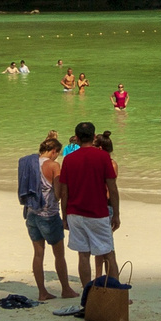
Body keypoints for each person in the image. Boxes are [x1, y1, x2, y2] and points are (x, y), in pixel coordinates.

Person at [57, 122, 120, 287]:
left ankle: (87, 294)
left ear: (76, 138)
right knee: (109, 254)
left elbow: (64, 191)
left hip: (75, 214)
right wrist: (117, 214)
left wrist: (64, 216)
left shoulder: (69, 159)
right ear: (94, 137)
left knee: (83, 255)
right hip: (98, 213)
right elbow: (112, 188)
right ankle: (115, 294)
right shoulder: (103, 157)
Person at [21, 136, 77, 300]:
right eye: (57, 154)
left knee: (38, 254)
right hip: (49, 214)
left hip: (31, 213)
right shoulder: (53, 165)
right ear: (54, 151)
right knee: (59, 255)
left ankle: (42, 292)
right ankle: (66, 289)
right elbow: (59, 194)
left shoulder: (30, 163)